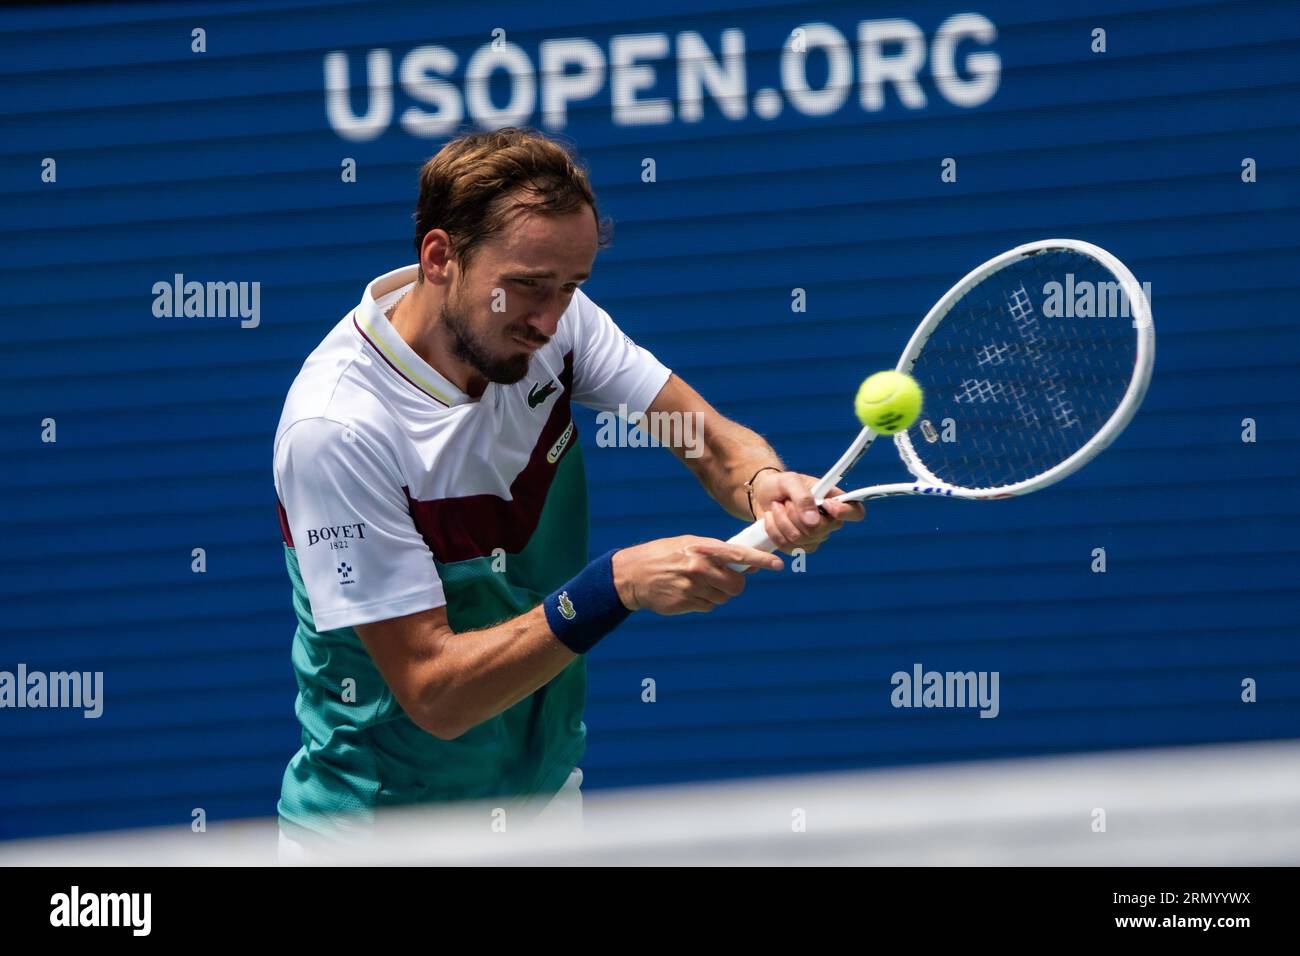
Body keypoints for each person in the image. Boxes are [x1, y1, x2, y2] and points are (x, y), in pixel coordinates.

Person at [272, 127, 862, 854]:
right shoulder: (339, 430)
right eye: (526, 287)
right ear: (439, 257)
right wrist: (613, 587)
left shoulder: (552, 326)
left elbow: (702, 439)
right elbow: (435, 693)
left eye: (570, 288)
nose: (550, 318)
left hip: (540, 808)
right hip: (382, 834)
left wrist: (766, 487)